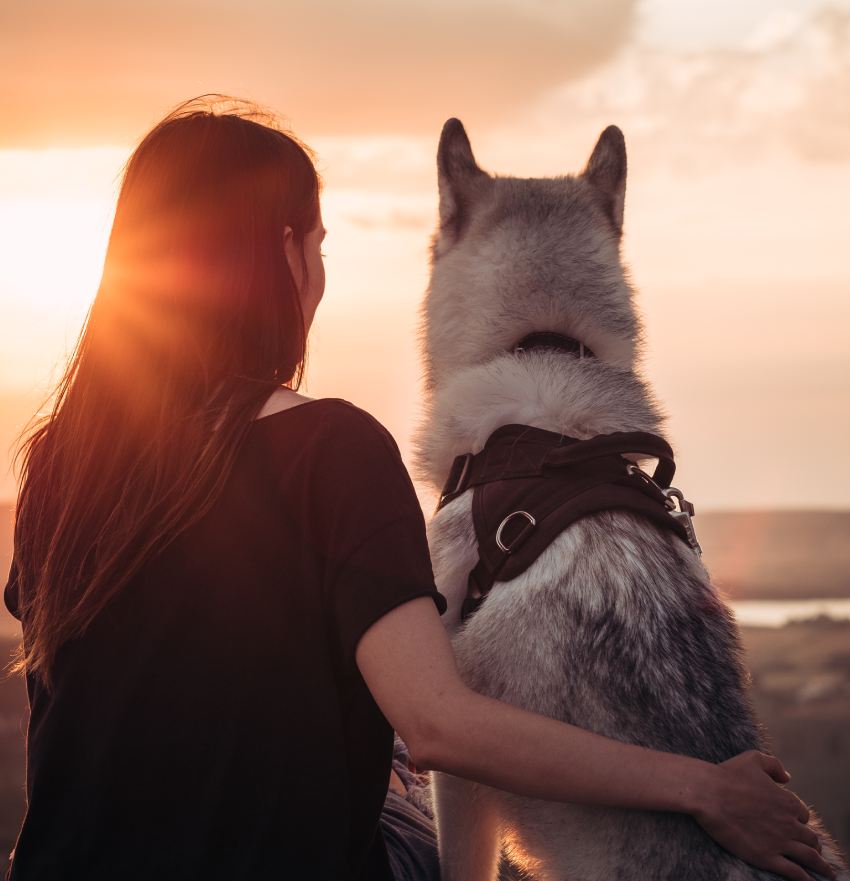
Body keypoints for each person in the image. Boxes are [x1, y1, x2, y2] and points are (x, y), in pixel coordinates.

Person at [2, 96, 833, 881]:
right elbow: (438, 726)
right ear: (281, 252)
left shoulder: (60, 469)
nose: (320, 275)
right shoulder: (329, 448)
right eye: (319, 246)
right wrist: (702, 786)